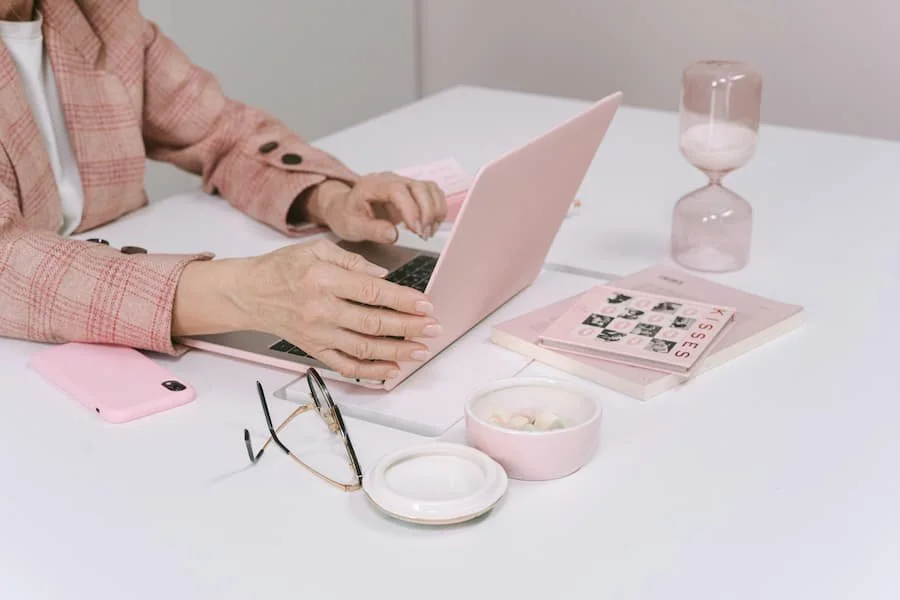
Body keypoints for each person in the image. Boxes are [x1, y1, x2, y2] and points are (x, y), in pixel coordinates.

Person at [0, 0, 448, 382]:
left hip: (120, 351)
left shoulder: (99, 14)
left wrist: (328, 196)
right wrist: (243, 291)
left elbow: (223, 132)